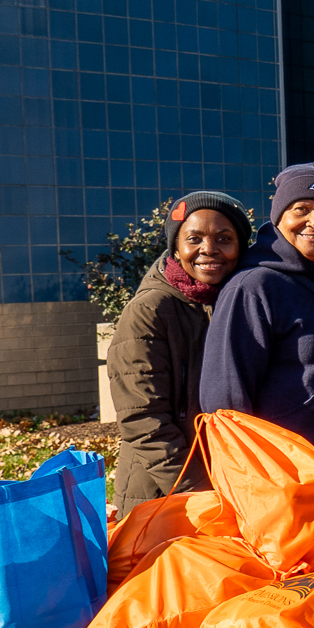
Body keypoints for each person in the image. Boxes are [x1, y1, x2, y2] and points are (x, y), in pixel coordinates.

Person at [199, 164, 314, 477]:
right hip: (281, 474)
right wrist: (249, 477)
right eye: (300, 209)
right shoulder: (253, 286)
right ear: (279, 217)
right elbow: (224, 401)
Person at [106, 189, 252, 507]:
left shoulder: (237, 303)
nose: (208, 250)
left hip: (229, 487)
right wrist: (198, 491)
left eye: (224, 238)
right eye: (194, 238)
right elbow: (143, 421)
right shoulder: (151, 309)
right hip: (166, 495)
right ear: (175, 246)